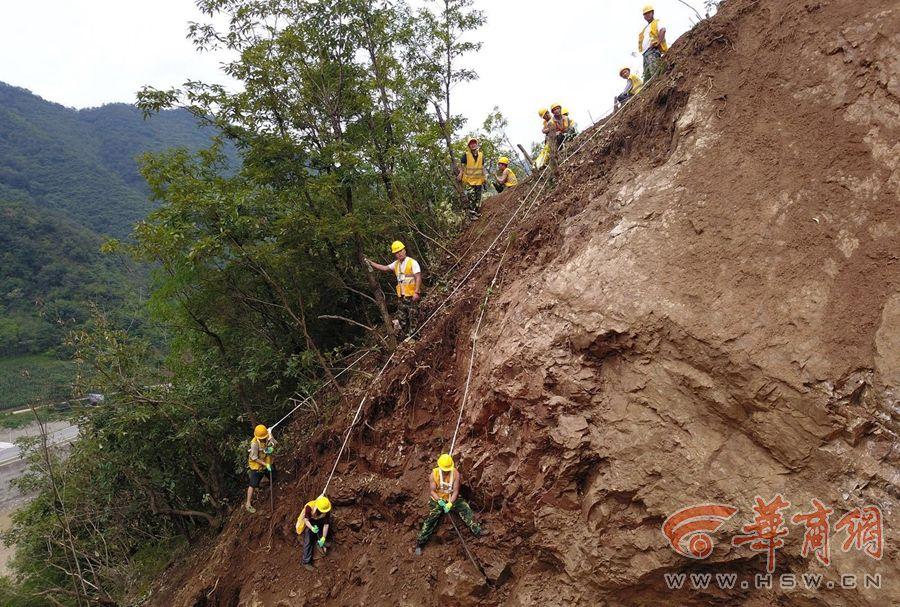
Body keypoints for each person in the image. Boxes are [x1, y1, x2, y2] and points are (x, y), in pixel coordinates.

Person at [415, 454, 482, 555]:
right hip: (438, 499)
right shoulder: (434, 475)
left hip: (451, 497)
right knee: (431, 519)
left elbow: (455, 491)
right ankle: (420, 542)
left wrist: (450, 504)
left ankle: (477, 531)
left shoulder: (455, 474)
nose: (446, 471)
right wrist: (440, 501)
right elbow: (433, 491)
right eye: (444, 470)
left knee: (465, 509)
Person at [366, 241, 422, 337]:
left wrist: (416, 292)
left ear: (404, 250)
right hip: (402, 296)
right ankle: (406, 336)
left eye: (400, 251)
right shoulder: (396, 264)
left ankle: (415, 336)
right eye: (397, 252)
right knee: (402, 318)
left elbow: (418, 277)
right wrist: (370, 263)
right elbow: (384, 268)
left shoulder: (412, 262)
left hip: (412, 295)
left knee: (413, 316)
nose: (399, 253)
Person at [295, 495, 332, 569]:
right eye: (322, 511)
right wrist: (312, 528)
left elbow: (326, 524)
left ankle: (321, 542)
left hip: (319, 519)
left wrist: (324, 538)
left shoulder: (326, 509)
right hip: (310, 521)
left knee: (322, 532)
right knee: (308, 540)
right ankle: (306, 562)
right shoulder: (309, 507)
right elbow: (306, 520)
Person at [245, 424, 275, 514]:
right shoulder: (254, 443)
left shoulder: (268, 435)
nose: (263, 439)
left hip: (267, 459)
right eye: (262, 438)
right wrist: (265, 465)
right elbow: (254, 457)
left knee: (274, 476)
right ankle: (248, 504)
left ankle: (266, 481)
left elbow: (274, 444)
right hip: (257, 465)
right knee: (253, 484)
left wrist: (271, 447)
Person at [456, 137, 486, 218]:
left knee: (478, 198)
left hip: (479, 180)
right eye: (471, 144)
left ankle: (476, 213)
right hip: (469, 180)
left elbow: (482, 167)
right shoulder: (466, 155)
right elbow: (462, 165)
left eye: (474, 143)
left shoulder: (481, 155)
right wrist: (460, 174)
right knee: (471, 197)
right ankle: (472, 215)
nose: (473, 145)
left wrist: (484, 178)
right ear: (469, 146)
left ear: (476, 144)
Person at [638, 4, 668, 82]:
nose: (647, 15)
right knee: (647, 76)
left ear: (652, 13)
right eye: (645, 14)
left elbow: (663, 30)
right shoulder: (645, 29)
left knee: (655, 73)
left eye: (648, 13)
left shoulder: (656, 22)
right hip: (645, 54)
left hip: (652, 51)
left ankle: (659, 84)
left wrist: (658, 42)